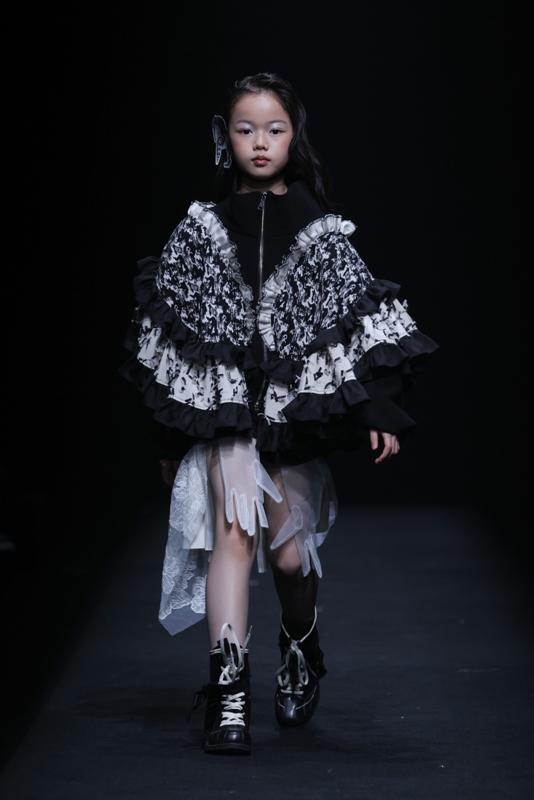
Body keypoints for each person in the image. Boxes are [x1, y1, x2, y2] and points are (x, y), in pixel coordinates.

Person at [121, 73, 437, 755]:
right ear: (223, 136)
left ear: (295, 137)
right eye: (245, 129)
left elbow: (359, 321)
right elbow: (167, 339)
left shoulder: (317, 229)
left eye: (274, 129)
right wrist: (168, 438)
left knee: (291, 559)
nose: (260, 143)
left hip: (292, 415)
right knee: (234, 534)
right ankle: (228, 695)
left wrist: (379, 408)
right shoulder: (201, 230)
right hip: (228, 416)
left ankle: (299, 642)